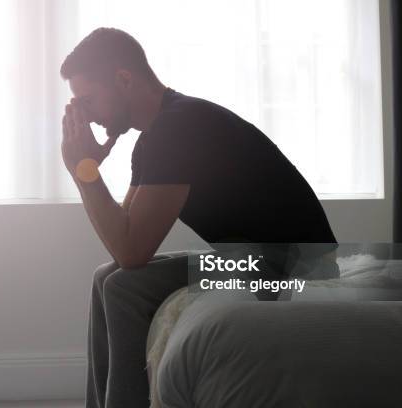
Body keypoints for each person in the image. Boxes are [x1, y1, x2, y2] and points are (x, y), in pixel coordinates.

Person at [59, 27, 338, 408]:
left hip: (299, 268)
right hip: (257, 260)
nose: (87, 117)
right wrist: (86, 168)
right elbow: (122, 234)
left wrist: (83, 171)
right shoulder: (155, 137)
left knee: (123, 286)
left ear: (124, 79)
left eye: (88, 101)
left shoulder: (178, 129)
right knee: (106, 277)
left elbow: (131, 251)